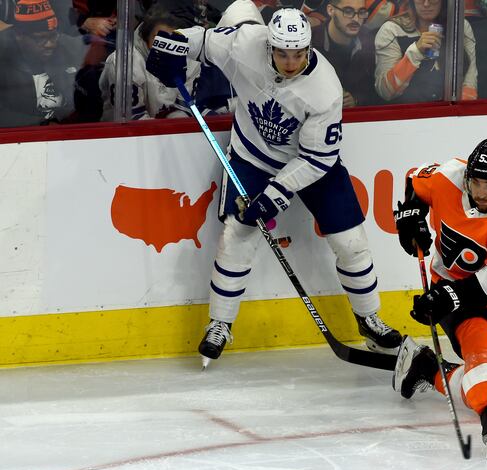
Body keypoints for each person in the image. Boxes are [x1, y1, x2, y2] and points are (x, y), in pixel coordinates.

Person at [146, 8, 404, 366]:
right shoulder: (244, 43)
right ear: (269, 45)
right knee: (236, 236)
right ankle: (219, 323)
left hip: (313, 164)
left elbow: (316, 160)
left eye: (298, 54)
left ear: (308, 48)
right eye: (283, 53)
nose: (290, 61)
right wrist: (168, 47)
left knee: (351, 242)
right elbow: (202, 42)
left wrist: (273, 197)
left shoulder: (324, 89)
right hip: (253, 156)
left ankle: (369, 319)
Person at [392, 139, 487, 460]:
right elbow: (414, 182)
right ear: (467, 177)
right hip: (448, 283)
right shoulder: (449, 175)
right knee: (482, 347)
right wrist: (410, 215)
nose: (481, 192)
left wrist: (449, 297)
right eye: (476, 182)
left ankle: (428, 369)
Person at [99, 4, 202, 120]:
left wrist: (170, 131)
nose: (165, 46)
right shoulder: (125, 62)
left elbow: (184, 112)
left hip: (169, 134)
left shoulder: (192, 63)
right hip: (123, 135)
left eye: (172, 39)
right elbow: (132, 120)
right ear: (146, 36)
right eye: (158, 38)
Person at [0, 0, 86, 127]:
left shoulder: (70, 49)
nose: (50, 44)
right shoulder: (4, 55)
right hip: (23, 137)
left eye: (53, 36)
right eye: (40, 39)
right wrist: (41, 125)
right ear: (19, 35)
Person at [374, 0, 477, 103]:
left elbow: (469, 82)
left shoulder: (459, 25)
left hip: (449, 111)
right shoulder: (392, 29)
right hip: (408, 111)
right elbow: (385, 92)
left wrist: (459, 112)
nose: (426, 4)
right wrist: (416, 52)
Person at [311, 0, 380, 107]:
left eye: (361, 12)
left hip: (357, 120)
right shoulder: (309, 43)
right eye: (348, 11)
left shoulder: (370, 43)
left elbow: (376, 91)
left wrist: (357, 100)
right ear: (331, 10)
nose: (356, 19)